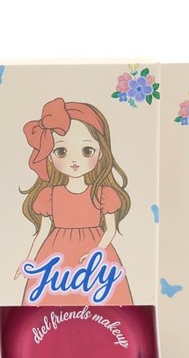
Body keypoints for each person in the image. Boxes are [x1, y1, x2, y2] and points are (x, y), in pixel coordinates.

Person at [16, 98, 132, 305]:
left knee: (104, 302)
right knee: (50, 302)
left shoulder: (103, 194)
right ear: (49, 156)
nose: (74, 161)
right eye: (61, 151)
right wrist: (30, 258)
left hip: (94, 251)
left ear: (101, 152)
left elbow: (110, 230)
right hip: (56, 252)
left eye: (87, 150)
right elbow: (43, 232)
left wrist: (97, 252)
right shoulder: (49, 195)